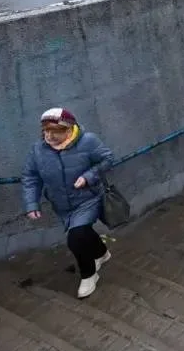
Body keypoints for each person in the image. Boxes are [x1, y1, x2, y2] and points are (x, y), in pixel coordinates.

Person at [22, 108, 116, 298]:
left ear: (68, 129)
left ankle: (89, 275)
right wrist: (32, 204)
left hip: (88, 199)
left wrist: (88, 176)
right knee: (82, 232)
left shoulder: (88, 141)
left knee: (75, 237)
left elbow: (108, 158)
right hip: (62, 205)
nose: (49, 136)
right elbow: (31, 177)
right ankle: (102, 253)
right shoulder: (38, 150)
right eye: (46, 131)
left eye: (55, 131)